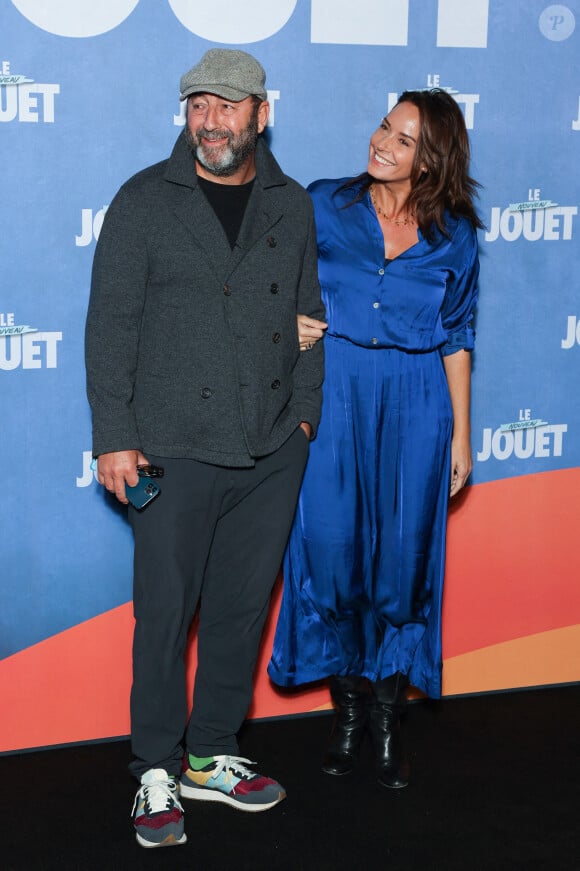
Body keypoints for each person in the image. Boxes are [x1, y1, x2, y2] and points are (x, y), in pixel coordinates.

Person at [85, 48, 324, 849]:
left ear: (261, 113)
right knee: (164, 616)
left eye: (228, 106)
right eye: (198, 106)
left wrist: (305, 418)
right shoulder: (144, 200)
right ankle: (155, 763)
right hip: (170, 448)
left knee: (240, 608)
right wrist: (115, 436)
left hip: (269, 445)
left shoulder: (290, 204)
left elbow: (307, 312)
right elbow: (110, 326)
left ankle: (212, 750)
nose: (211, 122)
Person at [270, 88, 483, 789]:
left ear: (434, 159)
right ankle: (349, 712)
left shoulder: (455, 234)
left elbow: (456, 334)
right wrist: (286, 323)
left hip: (418, 402)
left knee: (402, 564)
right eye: (384, 125)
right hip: (335, 392)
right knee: (331, 555)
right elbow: (270, 280)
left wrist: (460, 434)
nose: (382, 142)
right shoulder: (323, 202)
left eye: (403, 138)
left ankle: (388, 720)